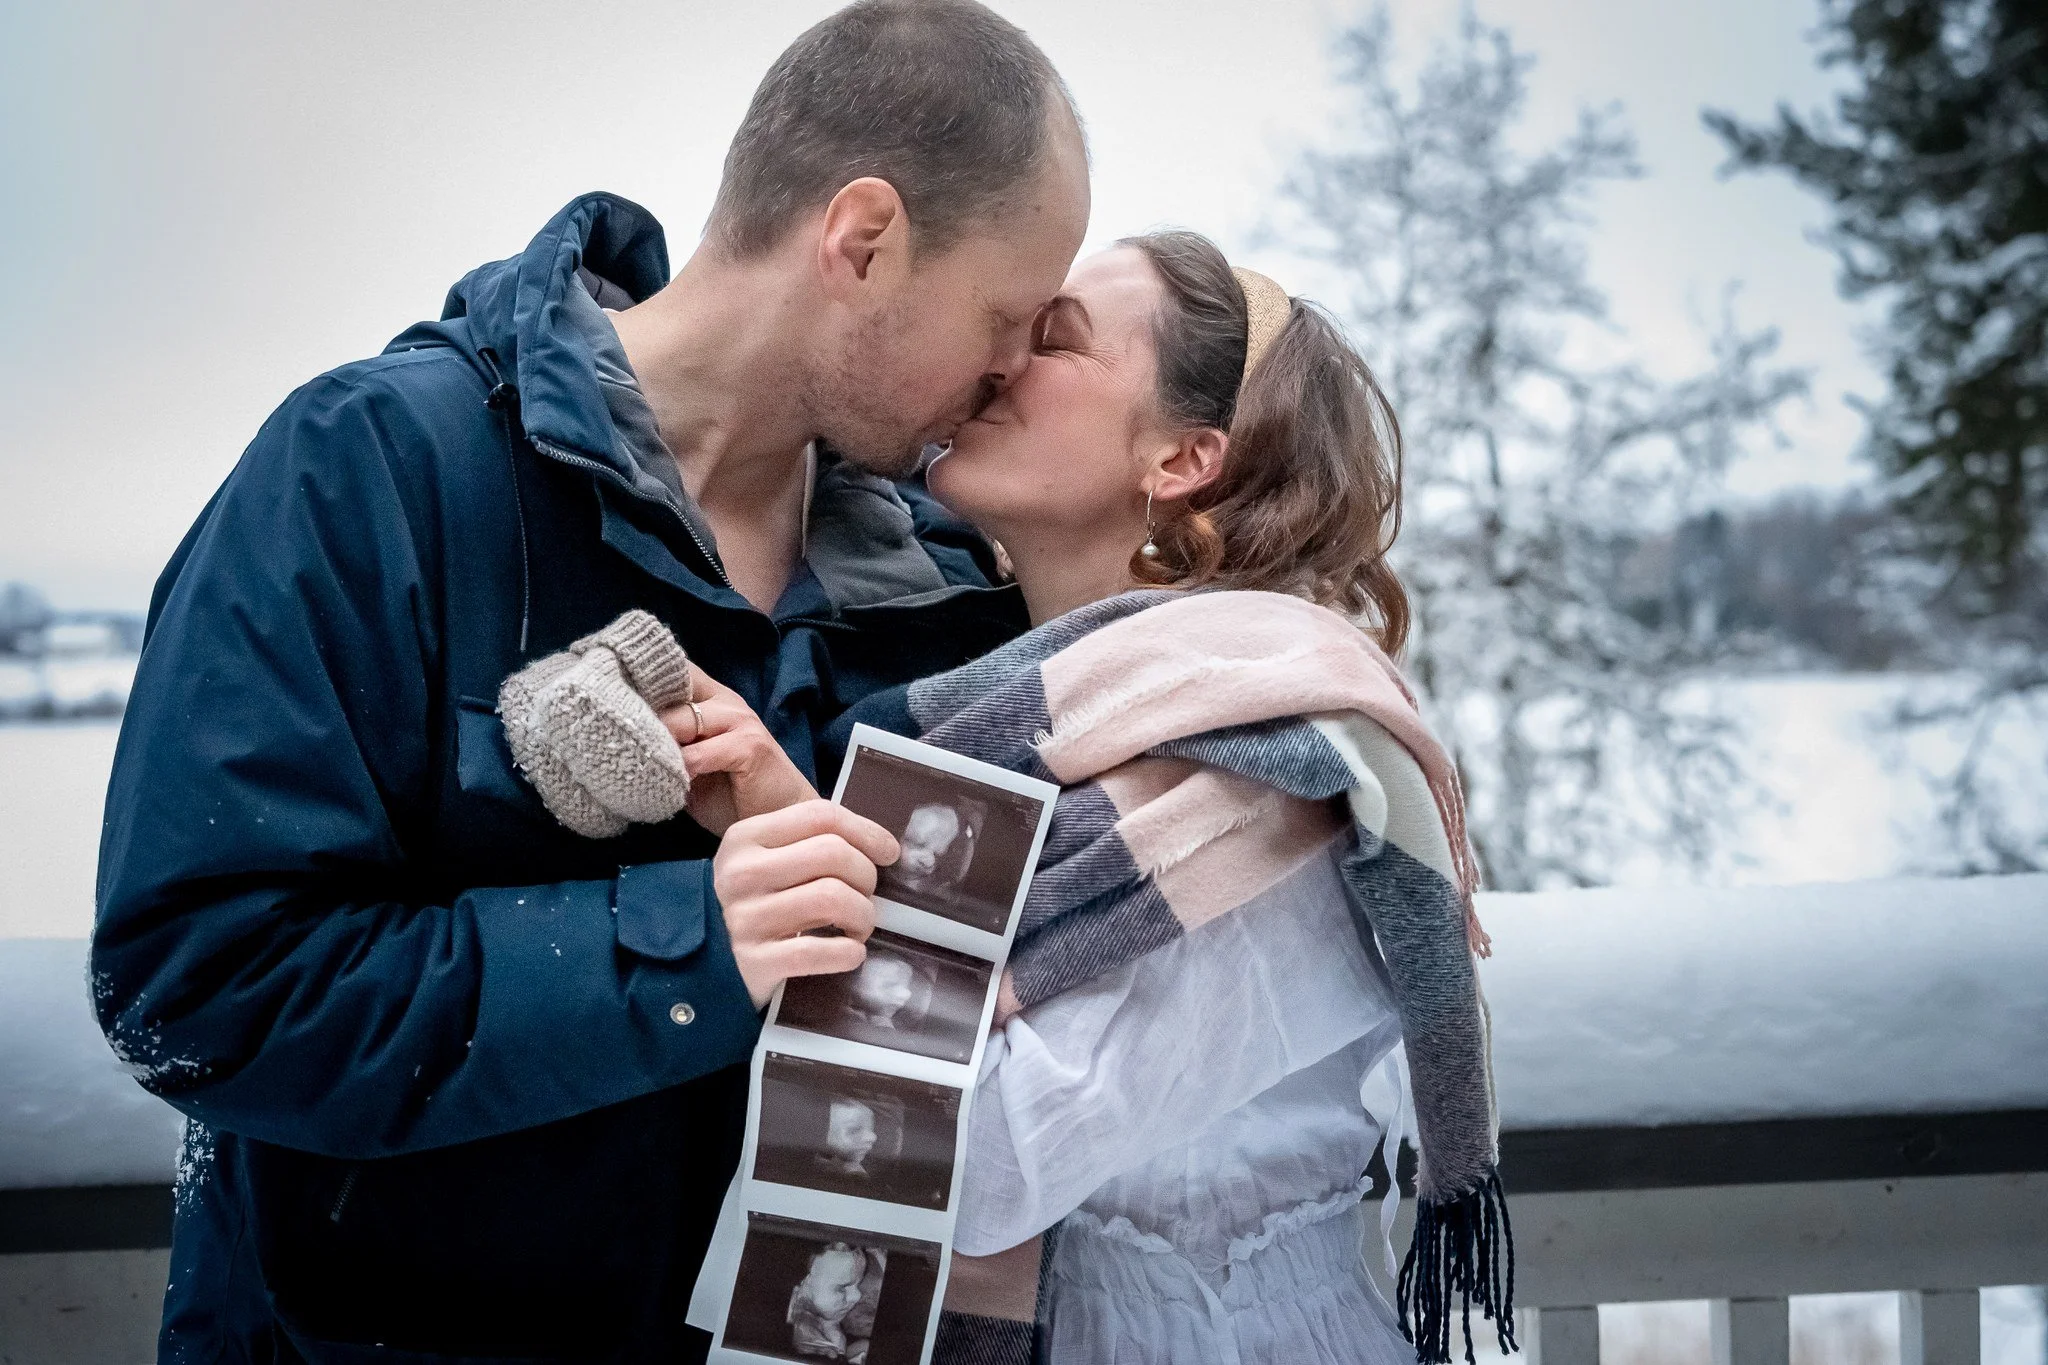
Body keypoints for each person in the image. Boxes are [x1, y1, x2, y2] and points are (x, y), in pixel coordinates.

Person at [88, 3, 1088, 1361]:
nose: (1010, 372)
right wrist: (687, 946)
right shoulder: (372, 472)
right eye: (1006, 316)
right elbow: (197, 985)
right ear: (864, 241)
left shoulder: (946, 586)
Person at [665, 231, 1510, 1364]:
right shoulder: (1018, 726)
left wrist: (793, 868)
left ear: (1180, 460)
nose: (1002, 359)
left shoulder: (1278, 774)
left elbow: (975, 1167)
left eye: (1054, 338)